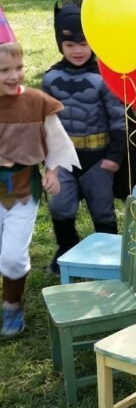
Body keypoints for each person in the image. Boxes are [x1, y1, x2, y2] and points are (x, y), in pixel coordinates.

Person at [0, 37, 79, 336]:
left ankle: (12, 304)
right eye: (4, 70)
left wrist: (53, 172)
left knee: (12, 256)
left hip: (22, 192)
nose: (14, 75)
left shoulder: (36, 103)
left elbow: (56, 141)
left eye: (19, 67)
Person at [42, 4, 128, 273]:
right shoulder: (51, 78)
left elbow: (118, 118)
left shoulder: (103, 78)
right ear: (60, 44)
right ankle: (66, 249)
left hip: (98, 158)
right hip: (63, 159)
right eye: (70, 44)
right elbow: (46, 122)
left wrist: (115, 156)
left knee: (102, 210)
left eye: (83, 43)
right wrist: (48, 161)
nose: (77, 50)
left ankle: (109, 256)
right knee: (59, 207)